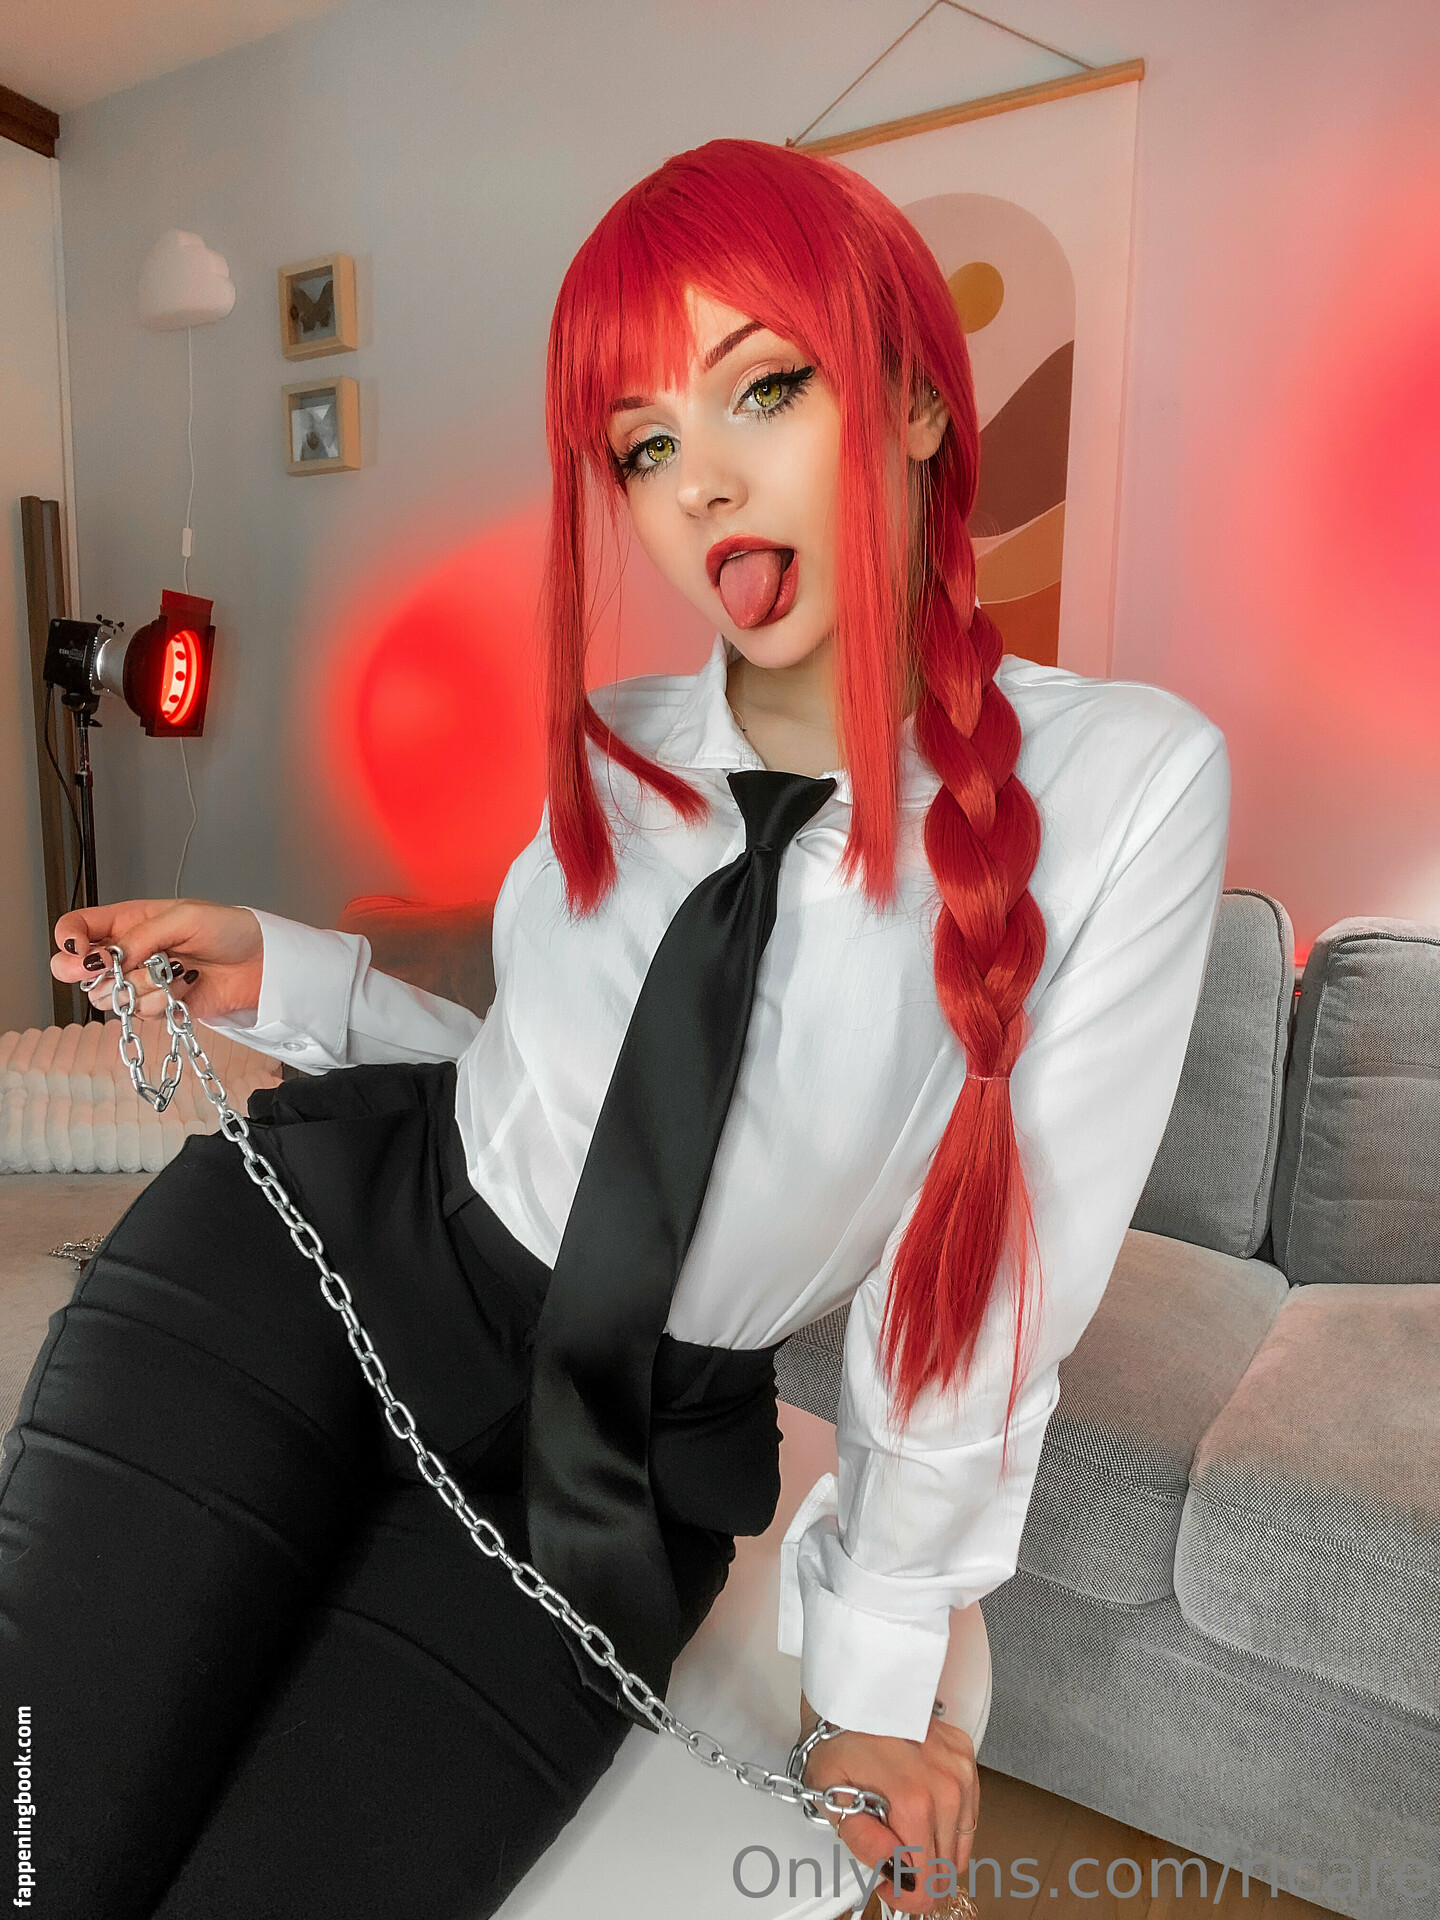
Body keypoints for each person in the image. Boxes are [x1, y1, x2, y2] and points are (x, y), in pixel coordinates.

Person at [9, 138, 1229, 1919]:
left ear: (912, 399)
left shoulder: (1126, 785)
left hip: (615, 1473)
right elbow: (536, 1090)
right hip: (300, 1274)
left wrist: (880, 1681)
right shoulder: (614, 737)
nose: (700, 484)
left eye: (765, 388)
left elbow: (989, 1287)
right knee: (36, 1841)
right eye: (644, 445)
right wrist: (288, 976)